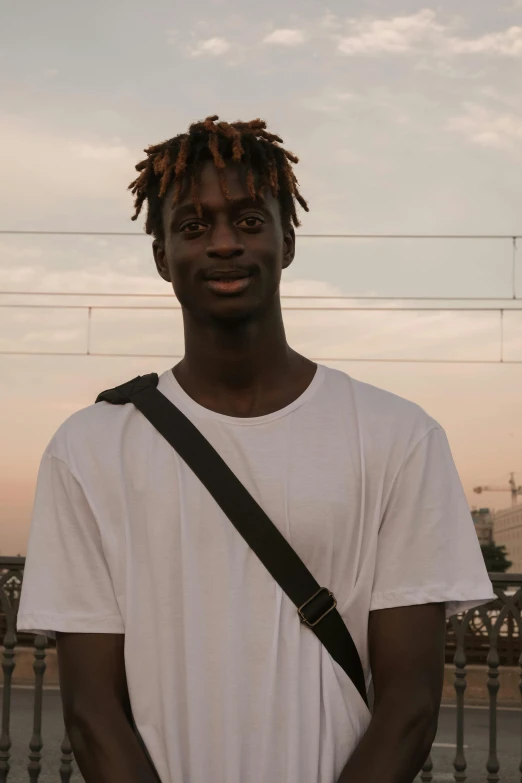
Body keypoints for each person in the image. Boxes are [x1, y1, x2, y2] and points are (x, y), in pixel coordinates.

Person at [17, 115, 495, 783]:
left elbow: (410, 705)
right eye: (192, 225)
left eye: (247, 220)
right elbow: (93, 712)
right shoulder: (88, 449)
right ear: (161, 256)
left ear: (287, 239)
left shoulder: (399, 435)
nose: (222, 243)